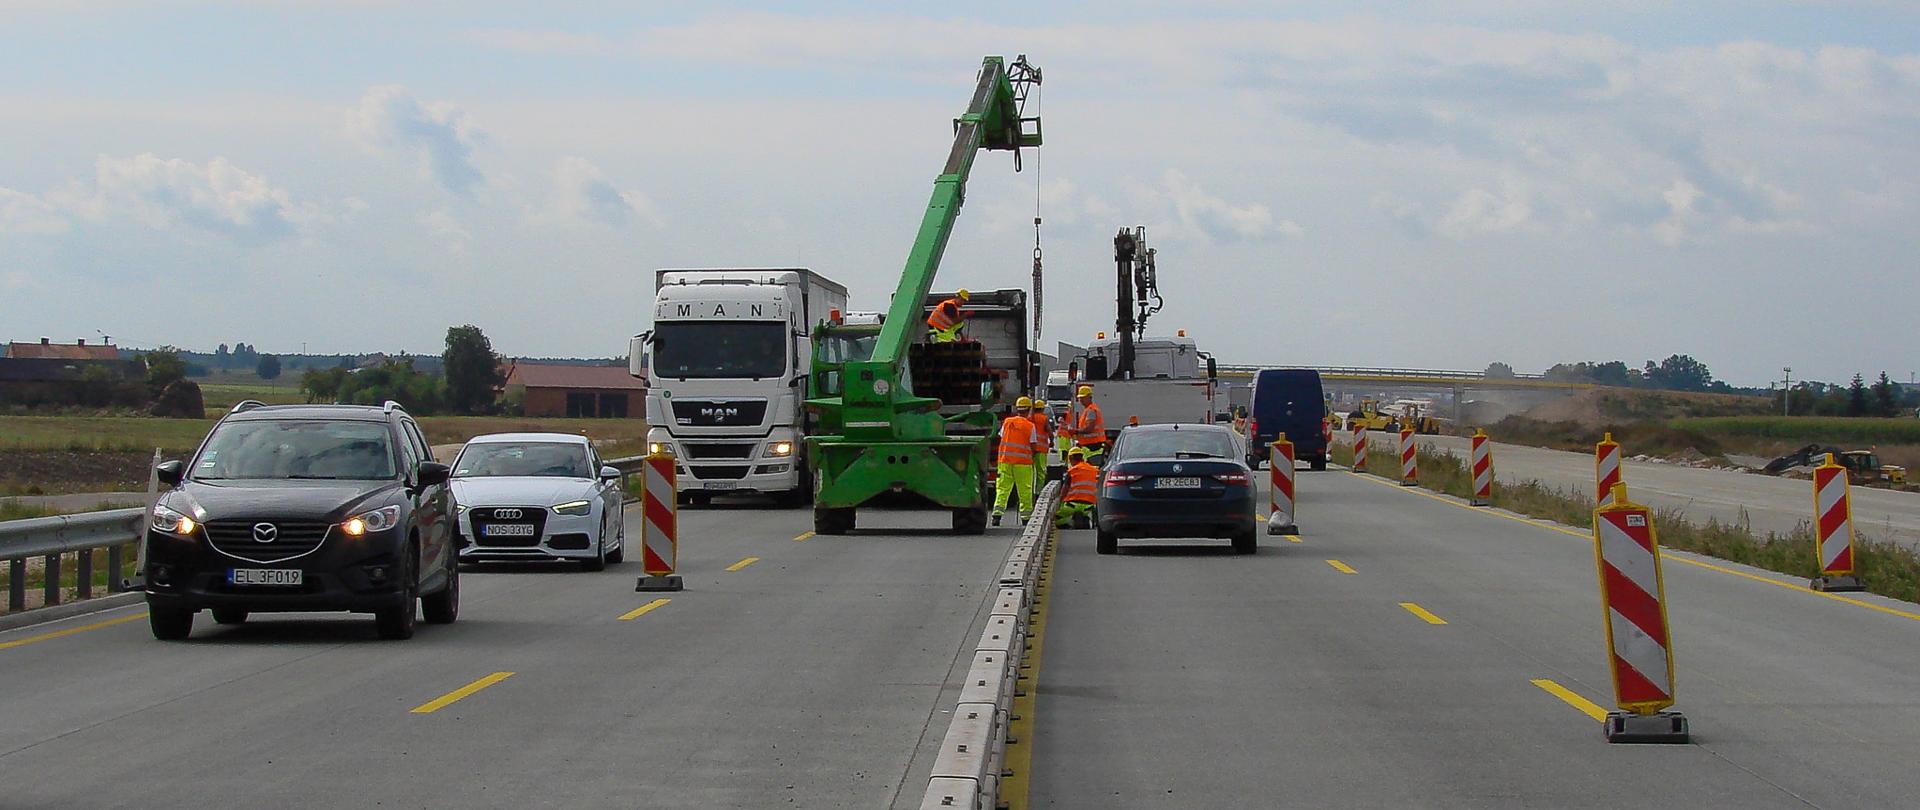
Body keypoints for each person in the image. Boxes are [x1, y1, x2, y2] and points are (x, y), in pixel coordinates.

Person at [992, 396, 1042, 527]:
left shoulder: (1007, 422)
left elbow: (1001, 436)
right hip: (1023, 463)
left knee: (1003, 489)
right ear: (1029, 410)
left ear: (1017, 409)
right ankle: (1025, 518)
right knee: (1025, 490)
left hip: (1005, 461)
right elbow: (1034, 447)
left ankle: (996, 516)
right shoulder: (1030, 426)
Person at [1055, 446, 1099, 530]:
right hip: (1089, 506)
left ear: (1071, 458)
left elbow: (1065, 489)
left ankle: (1070, 523)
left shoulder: (1072, 471)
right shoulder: (1094, 470)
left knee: (1057, 519)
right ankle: (1088, 519)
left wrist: (1059, 502)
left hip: (1072, 505)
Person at [1073, 385, 1108, 466]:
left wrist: (1075, 431)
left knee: (1093, 468)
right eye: (1080, 397)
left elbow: (1089, 429)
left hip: (1093, 447)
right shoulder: (1088, 410)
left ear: (1089, 397)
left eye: (1083, 397)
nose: (1080, 400)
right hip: (1091, 446)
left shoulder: (1091, 410)